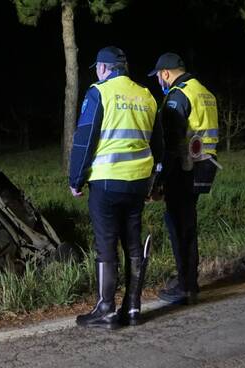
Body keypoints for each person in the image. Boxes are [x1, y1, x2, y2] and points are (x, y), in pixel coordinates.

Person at [70, 46, 161, 329]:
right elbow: (159, 147)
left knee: (106, 244)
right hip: (137, 184)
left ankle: (106, 310)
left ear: (103, 68)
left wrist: (76, 180)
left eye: (97, 68)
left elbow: (85, 140)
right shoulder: (147, 96)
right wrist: (154, 185)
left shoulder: (100, 92)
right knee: (132, 243)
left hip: (107, 181)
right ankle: (133, 307)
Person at [148, 52, 219, 305]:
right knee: (188, 225)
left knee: (178, 228)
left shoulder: (177, 96)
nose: (159, 80)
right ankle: (190, 281)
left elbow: (171, 145)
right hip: (204, 167)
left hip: (183, 169)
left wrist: (158, 181)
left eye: (158, 76)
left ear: (165, 73)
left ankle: (185, 286)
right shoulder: (203, 91)